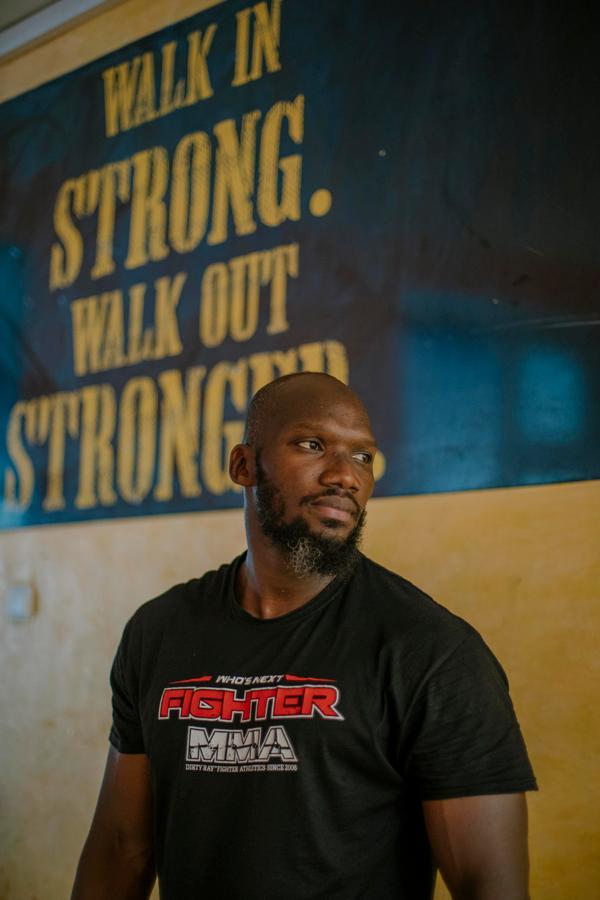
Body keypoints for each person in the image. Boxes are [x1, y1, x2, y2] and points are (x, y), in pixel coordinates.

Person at [71, 372, 537, 900]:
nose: (345, 476)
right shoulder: (158, 631)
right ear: (243, 464)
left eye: (364, 457)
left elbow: (488, 885)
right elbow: (120, 848)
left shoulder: (432, 651)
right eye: (312, 445)